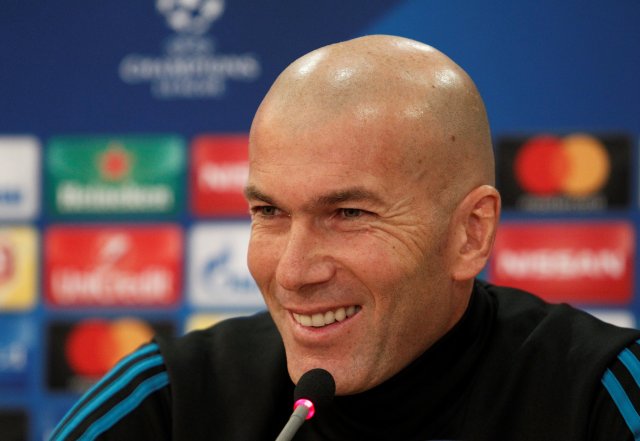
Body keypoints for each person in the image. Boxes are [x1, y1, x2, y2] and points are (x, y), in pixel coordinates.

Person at [50, 35, 640, 441]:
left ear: (470, 233)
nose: (293, 273)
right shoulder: (169, 400)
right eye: (269, 211)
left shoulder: (598, 393)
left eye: (350, 213)